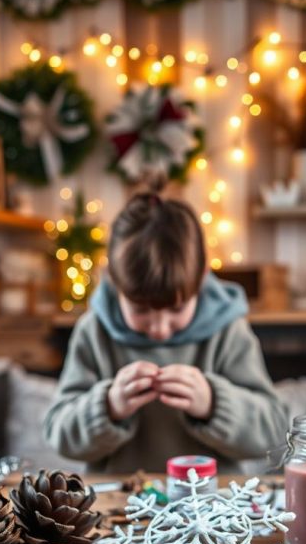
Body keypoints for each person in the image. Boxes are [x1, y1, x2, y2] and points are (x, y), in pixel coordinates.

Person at [44, 192, 288, 474]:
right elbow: (58, 433)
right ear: (114, 282)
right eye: (141, 310)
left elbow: (275, 430)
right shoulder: (93, 331)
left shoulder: (228, 330)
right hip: (117, 505)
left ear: (201, 279)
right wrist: (108, 406)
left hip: (214, 508)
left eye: (177, 308)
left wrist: (214, 403)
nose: (159, 329)